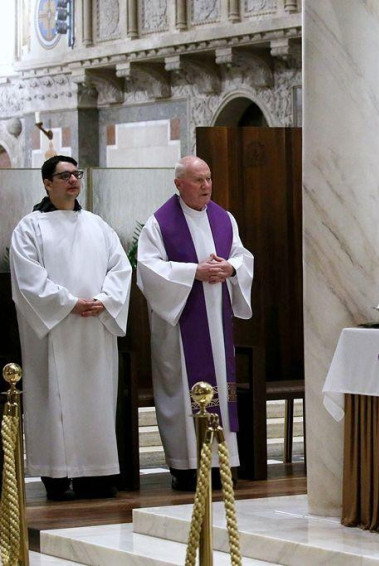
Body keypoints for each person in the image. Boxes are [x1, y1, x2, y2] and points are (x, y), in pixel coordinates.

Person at [10, 155, 131, 500]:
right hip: (55, 330)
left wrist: (105, 299)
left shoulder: (97, 225)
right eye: (64, 176)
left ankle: (96, 475)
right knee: (54, 401)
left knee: (96, 400)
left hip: (95, 328)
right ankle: (57, 476)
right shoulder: (30, 228)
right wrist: (69, 303)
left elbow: (120, 268)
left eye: (76, 174)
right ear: (47, 183)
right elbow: (28, 282)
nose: (73, 180)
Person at [136, 156, 254, 491]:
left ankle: (222, 463)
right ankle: (186, 466)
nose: (206, 186)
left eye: (209, 178)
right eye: (198, 180)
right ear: (179, 184)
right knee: (182, 389)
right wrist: (193, 272)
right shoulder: (160, 224)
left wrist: (230, 268)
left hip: (218, 323)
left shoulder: (224, 218)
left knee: (220, 386)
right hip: (180, 330)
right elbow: (148, 269)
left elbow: (242, 255)